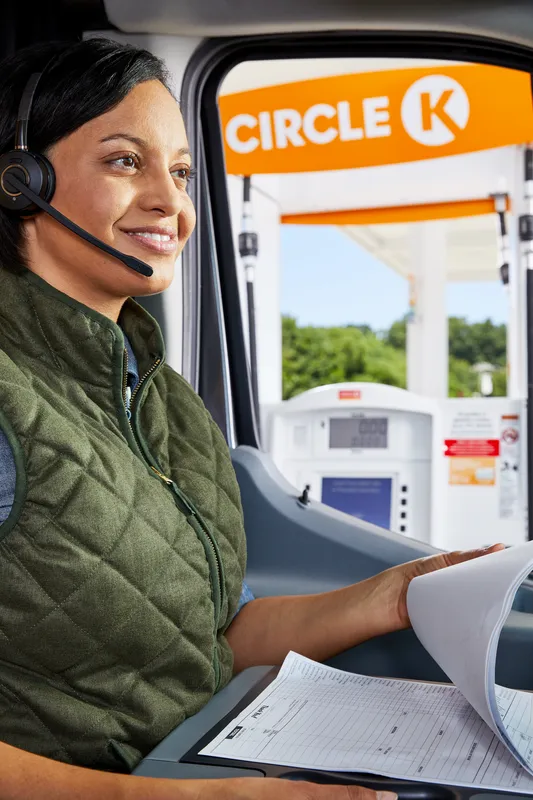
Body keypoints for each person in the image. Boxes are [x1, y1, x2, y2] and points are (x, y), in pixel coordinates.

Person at [0, 36, 503, 799]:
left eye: (178, 172)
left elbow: (209, 644)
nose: (170, 203)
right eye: (124, 161)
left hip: (197, 755)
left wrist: (387, 595)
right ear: (20, 180)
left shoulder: (164, 402)